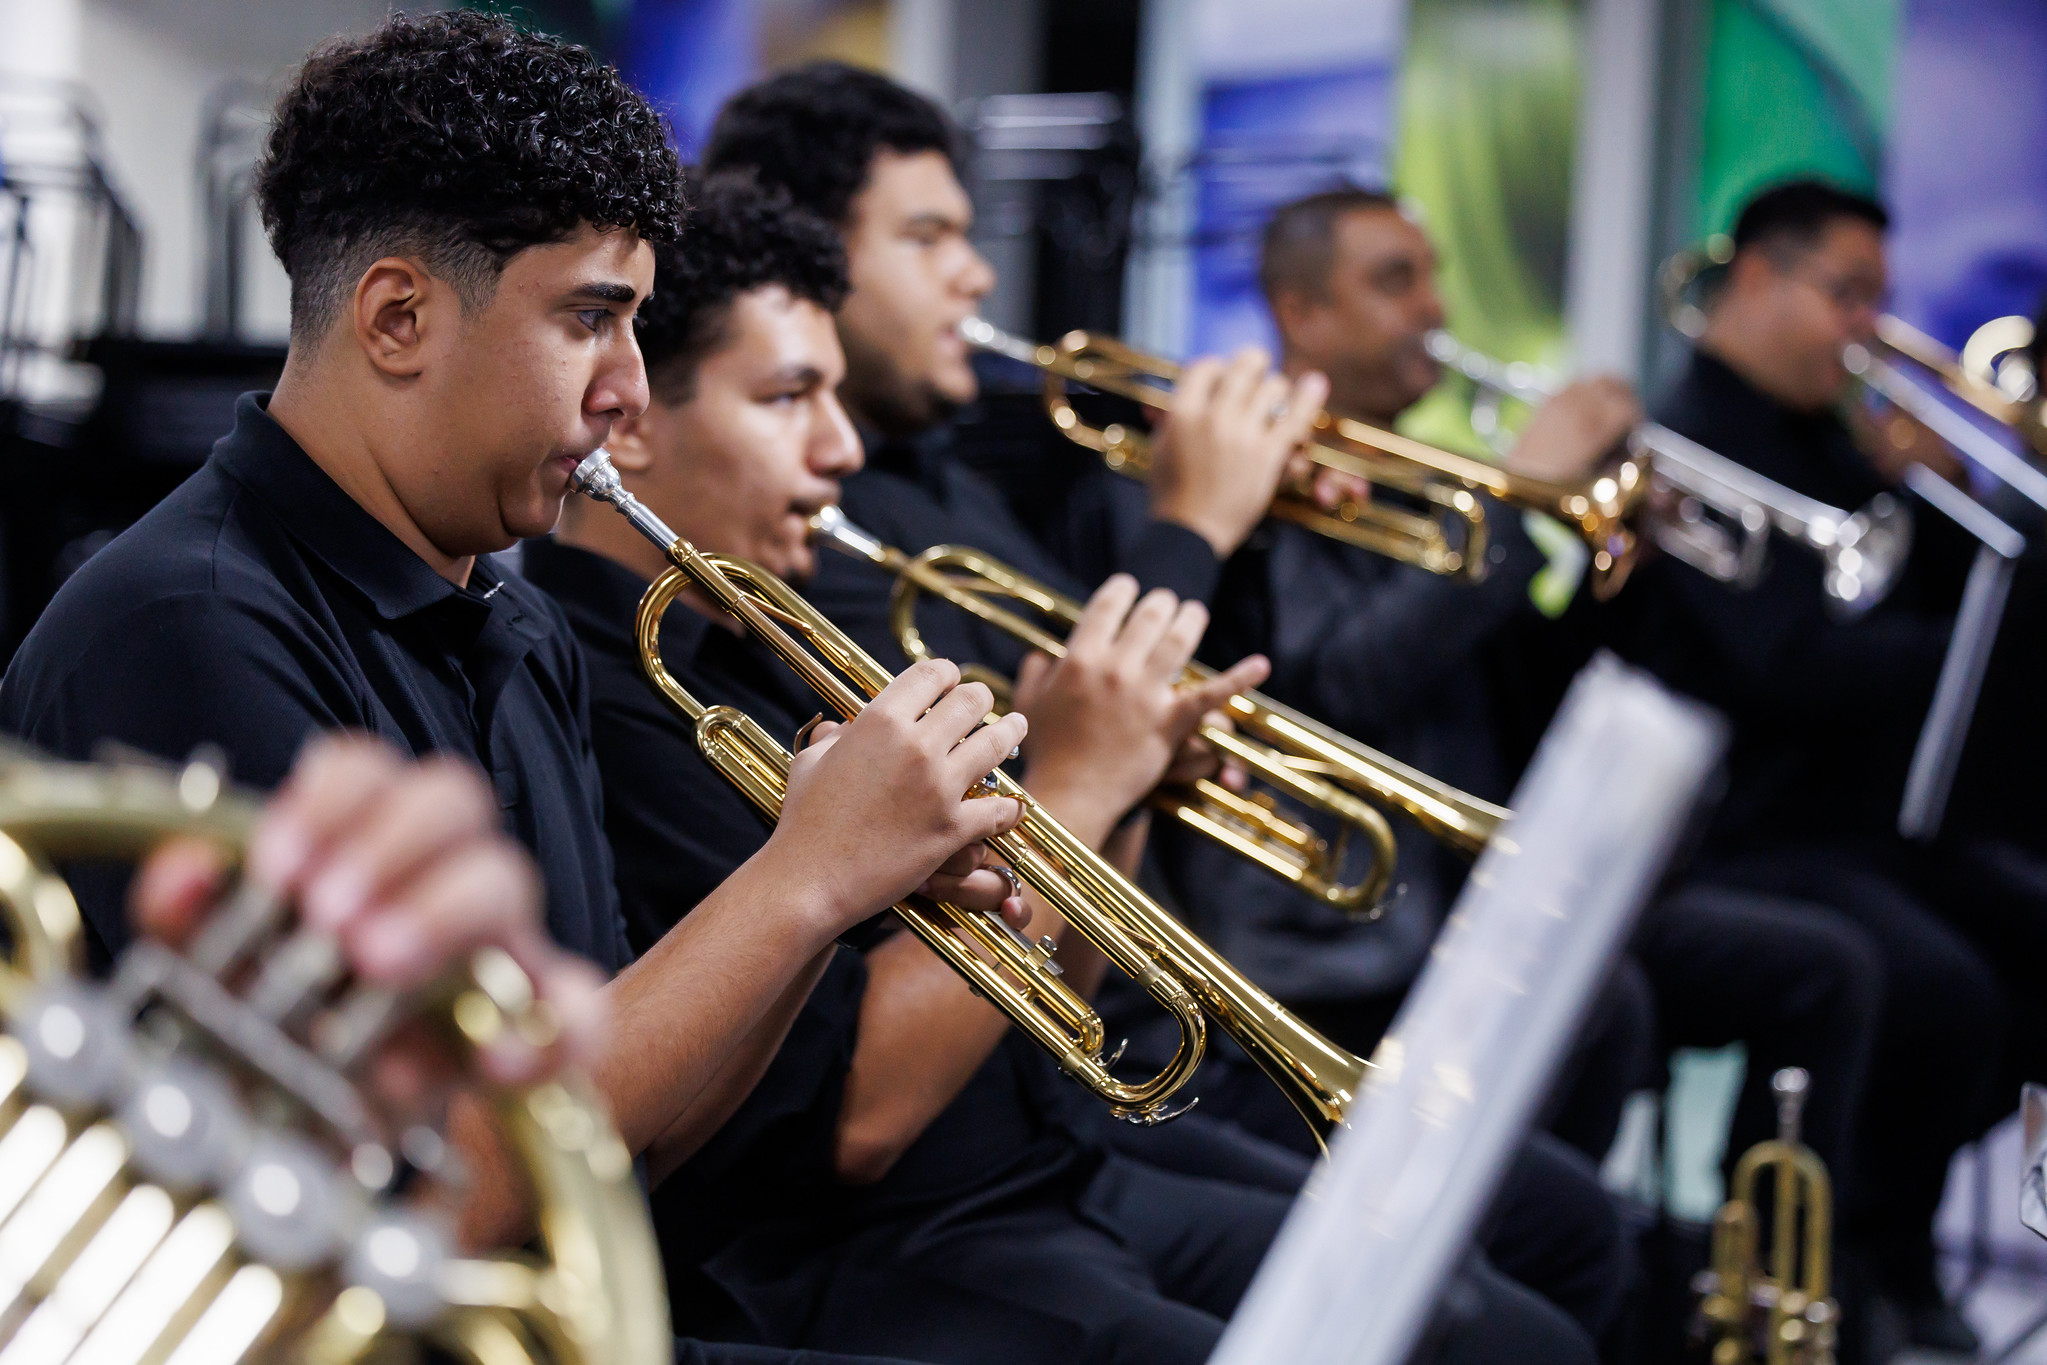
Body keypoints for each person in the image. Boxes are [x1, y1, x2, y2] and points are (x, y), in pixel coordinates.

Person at [0, 17, 1029, 1365]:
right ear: (398, 317)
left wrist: (831, 898)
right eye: (588, 319)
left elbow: (621, 1136)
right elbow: (430, 1195)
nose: (629, 394)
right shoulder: (190, 626)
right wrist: (806, 882)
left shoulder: (514, 616)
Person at [528, 168, 1598, 1365]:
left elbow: (1058, 996)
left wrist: (1128, 785)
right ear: (630, 423)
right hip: (904, 1233)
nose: (837, 448)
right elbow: (862, 1118)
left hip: (1044, 1155)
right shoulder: (628, 678)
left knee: (1503, 1309)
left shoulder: (795, 611)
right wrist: (1085, 775)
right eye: (789, 397)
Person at [1623, 177, 2015, 1353]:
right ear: (1755, 280)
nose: (1870, 332)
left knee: (2023, 943)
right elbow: (1787, 664)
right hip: (1736, 829)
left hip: (1860, 826)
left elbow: (1947, 619)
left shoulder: (1829, 444)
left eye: (1878, 300)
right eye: (1848, 295)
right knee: (1929, 982)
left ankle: (1889, 1233)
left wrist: (1934, 497)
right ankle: (1812, 1260)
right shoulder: (1687, 439)